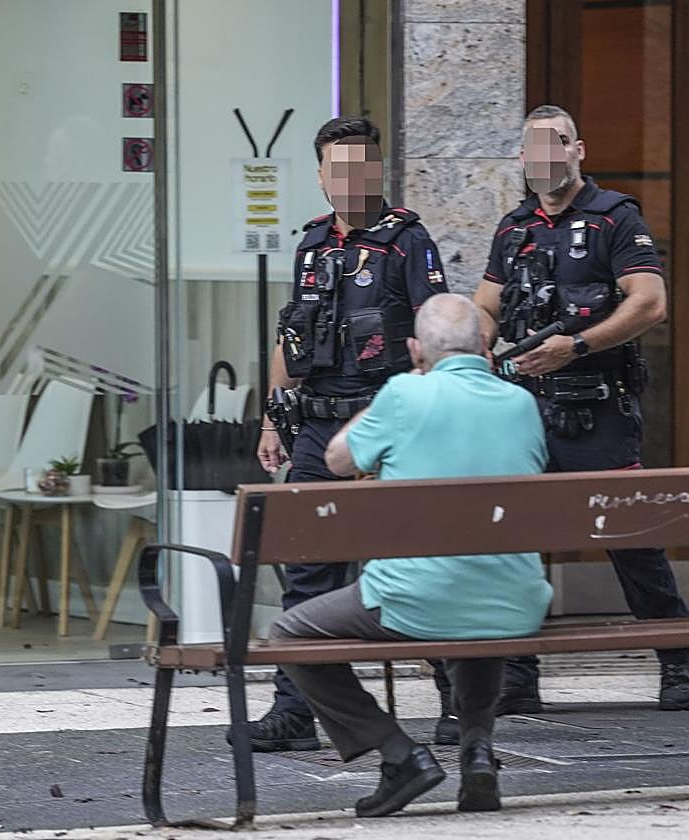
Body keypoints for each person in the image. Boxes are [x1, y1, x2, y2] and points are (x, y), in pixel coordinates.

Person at [446, 104, 689, 737]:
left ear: (578, 150)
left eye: (555, 144)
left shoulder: (617, 218)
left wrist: (578, 346)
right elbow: (487, 306)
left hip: (597, 404)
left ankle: (676, 659)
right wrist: (468, 341)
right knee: (513, 540)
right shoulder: (513, 228)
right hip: (524, 406)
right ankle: (519, 677)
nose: (545, 158)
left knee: (630, 537)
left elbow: (650, 304)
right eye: (533, 147)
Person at [268, 293, 551, 817]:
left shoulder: (404, 394)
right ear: (485, 346)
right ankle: (477, 752)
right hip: (515, 600)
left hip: (417, 600)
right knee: (479, 596)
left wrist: (390, 400)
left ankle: (400, 755)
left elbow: (335, 460)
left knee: (289, 633)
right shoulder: (521, 403)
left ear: (415, 350)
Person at [238, 116, 450, 752]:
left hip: (386, 428)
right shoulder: (311, 245)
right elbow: (293, 337)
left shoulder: (408, 242)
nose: (350, 179)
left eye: (362, 166)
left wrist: (401, 426)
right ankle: (294, 712)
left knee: (413, 566)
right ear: (322, 175)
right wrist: (274, 416)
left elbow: (431, 341)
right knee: (305, 568)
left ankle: (455, 702)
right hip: (316, 428)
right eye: (338, 168)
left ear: (377, 171)